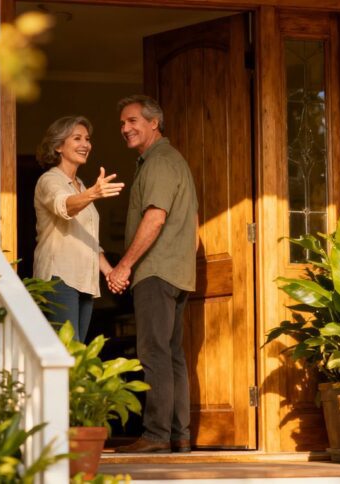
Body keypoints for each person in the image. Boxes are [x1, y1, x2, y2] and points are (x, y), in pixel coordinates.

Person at [108, 95, 198, 454]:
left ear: (153, 123)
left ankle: (157, 436)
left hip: (157, 272)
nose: (125, 129)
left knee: (154, 353)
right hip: (176, 272)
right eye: (121, 123)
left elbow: (155, 217)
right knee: (172, 354)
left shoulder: (159, 161)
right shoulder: (172, 161)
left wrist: (125, 265)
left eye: (132, 121)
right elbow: (193, 228)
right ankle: (179, 435)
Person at [33, 115, 126, 342]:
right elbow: (63, 205)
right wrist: (93, 193)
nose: (85, 144)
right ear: (58, 146)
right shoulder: (49, 180)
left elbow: (88, 238)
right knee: (67, 354)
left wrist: (109, 273)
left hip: (84, 280)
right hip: (59, 278)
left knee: (77, 354)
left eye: (87, 139)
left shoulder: (81, 185)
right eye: (77, 138)